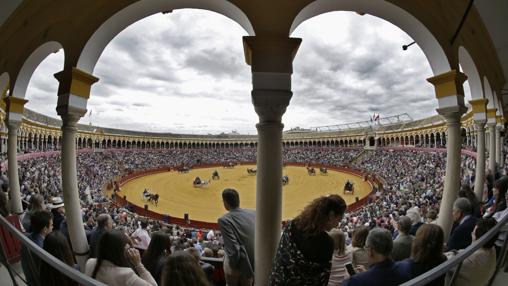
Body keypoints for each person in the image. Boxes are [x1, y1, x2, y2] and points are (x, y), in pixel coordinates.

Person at [269, 195, 347, 286]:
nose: (337, 225)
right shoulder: (327, 243)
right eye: (339, 220)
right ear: (331, 215)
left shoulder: (292, 224)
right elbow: (322, 279)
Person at [85, 230, 157, 286]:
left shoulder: (90, 262)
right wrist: (138, 264)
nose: (128, 247)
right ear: (120, 250)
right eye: (126, 245)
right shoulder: (126, 274)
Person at [342, 228, 411, 286]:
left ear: (370, 251)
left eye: (366, 247)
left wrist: (347, 279)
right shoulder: (407, 266)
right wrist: (367, 273)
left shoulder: (357, 281)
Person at [217, 188, 255, 286]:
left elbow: (233, 250)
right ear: (238, 200)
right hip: (257, 261)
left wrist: (236, 270)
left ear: (225, 203)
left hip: (243, 267)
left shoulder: (224, 220)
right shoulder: (253, 213)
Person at [446, 218, 498, 286]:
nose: (471, 234)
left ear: (478, 240)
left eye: (473, 233)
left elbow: (442, 260)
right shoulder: (493, 250)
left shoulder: (468, 260)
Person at [20, 210, 53, 286]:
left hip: (29, 279)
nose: (52, 227)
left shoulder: (26, 237)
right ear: (45, 229)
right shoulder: (43, 248)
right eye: (51, 225)